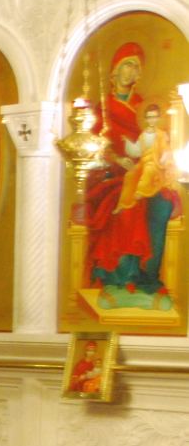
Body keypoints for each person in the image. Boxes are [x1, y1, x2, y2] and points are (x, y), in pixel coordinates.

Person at [84, 43, 182, 310]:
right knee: (127, 205)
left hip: (144, 171)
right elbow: (93, 147)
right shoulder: (102, 109)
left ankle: (147, 276)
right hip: (110, 174)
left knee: (163, 201)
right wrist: (118, 159)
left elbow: (157, 141)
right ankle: (120, 278)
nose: (131, 71)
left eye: (135, 66)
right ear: (115, 70)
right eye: (127, 64)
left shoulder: (143, 106)